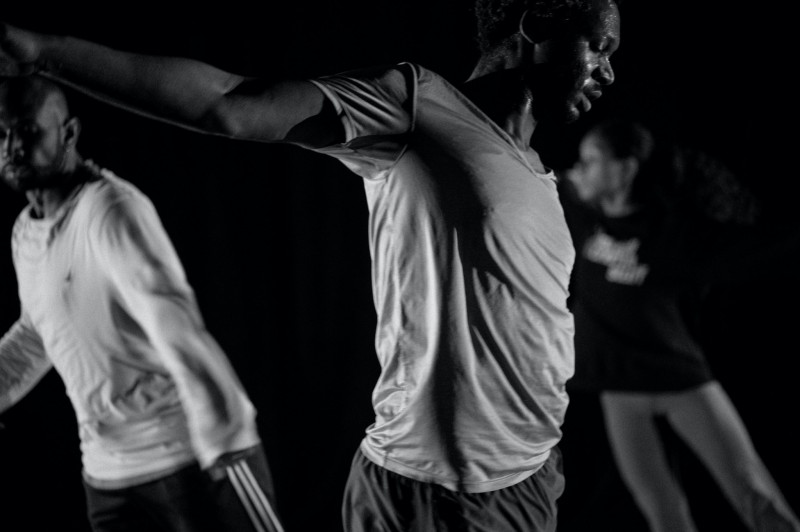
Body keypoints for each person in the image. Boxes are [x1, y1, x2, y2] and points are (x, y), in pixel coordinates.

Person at [0, 1, 620, 529]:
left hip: (529, 485)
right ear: (538, 27)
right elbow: (230, 105)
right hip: (424, 493)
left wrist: (547, 463)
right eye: (600, 46)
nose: (609, 72)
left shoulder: (540, 176)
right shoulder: (416, 106)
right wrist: (44, 54)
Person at [0, 76, 284, 532]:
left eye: (28, 131)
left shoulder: (110, 211)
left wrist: (224, 446)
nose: (12, 147)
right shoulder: (25, 232)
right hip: (108, 479)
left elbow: (174, 323)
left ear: (69, 133)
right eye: (2, 134)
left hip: (189, 459)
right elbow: (39, 334)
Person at [562, 118, 800, 532]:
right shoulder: (583, 218)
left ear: (624, 168)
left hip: (680, 383)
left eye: (591, 160)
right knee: (662, 512)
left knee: (757, 499)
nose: (579, 169)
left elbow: (763, 251)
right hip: (620, 392)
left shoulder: (671, 236)